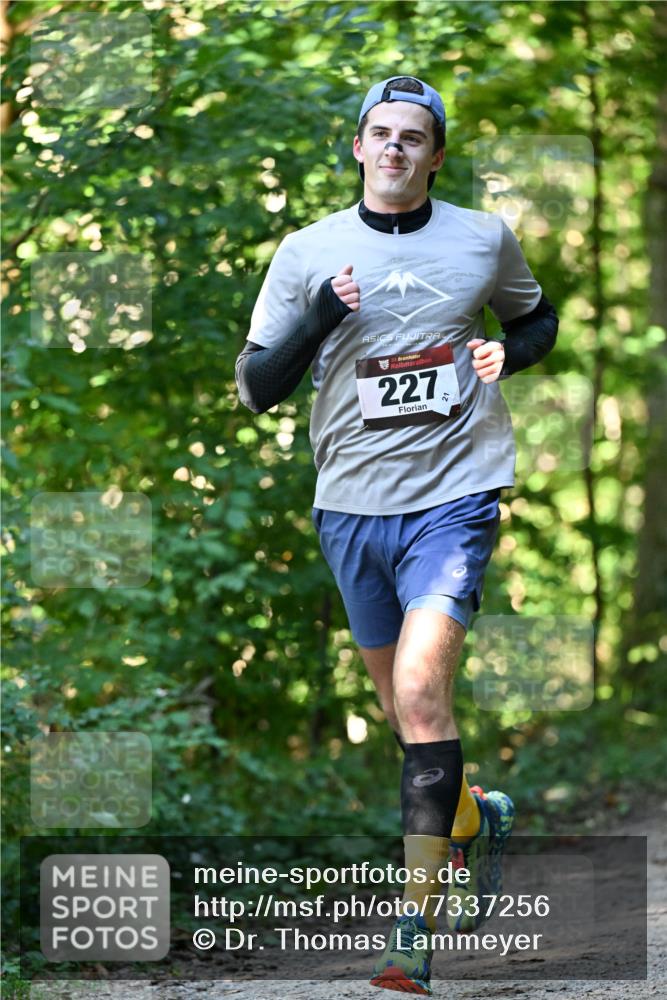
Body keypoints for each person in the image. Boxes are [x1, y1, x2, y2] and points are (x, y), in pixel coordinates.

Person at [236, 75, 558, 996]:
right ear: (356, 147)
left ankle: (410, 934)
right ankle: (471, 815)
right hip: (349, 503)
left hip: (454, 494)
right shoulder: (308, 250)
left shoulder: (482, 237)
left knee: (421, 692)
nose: (395, 149)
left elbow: (533, 318)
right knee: (404, 715)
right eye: (380, 134)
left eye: (413, 137)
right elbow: (258, 385)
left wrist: (511, 351)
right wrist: (321, 315)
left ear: (436, 154)